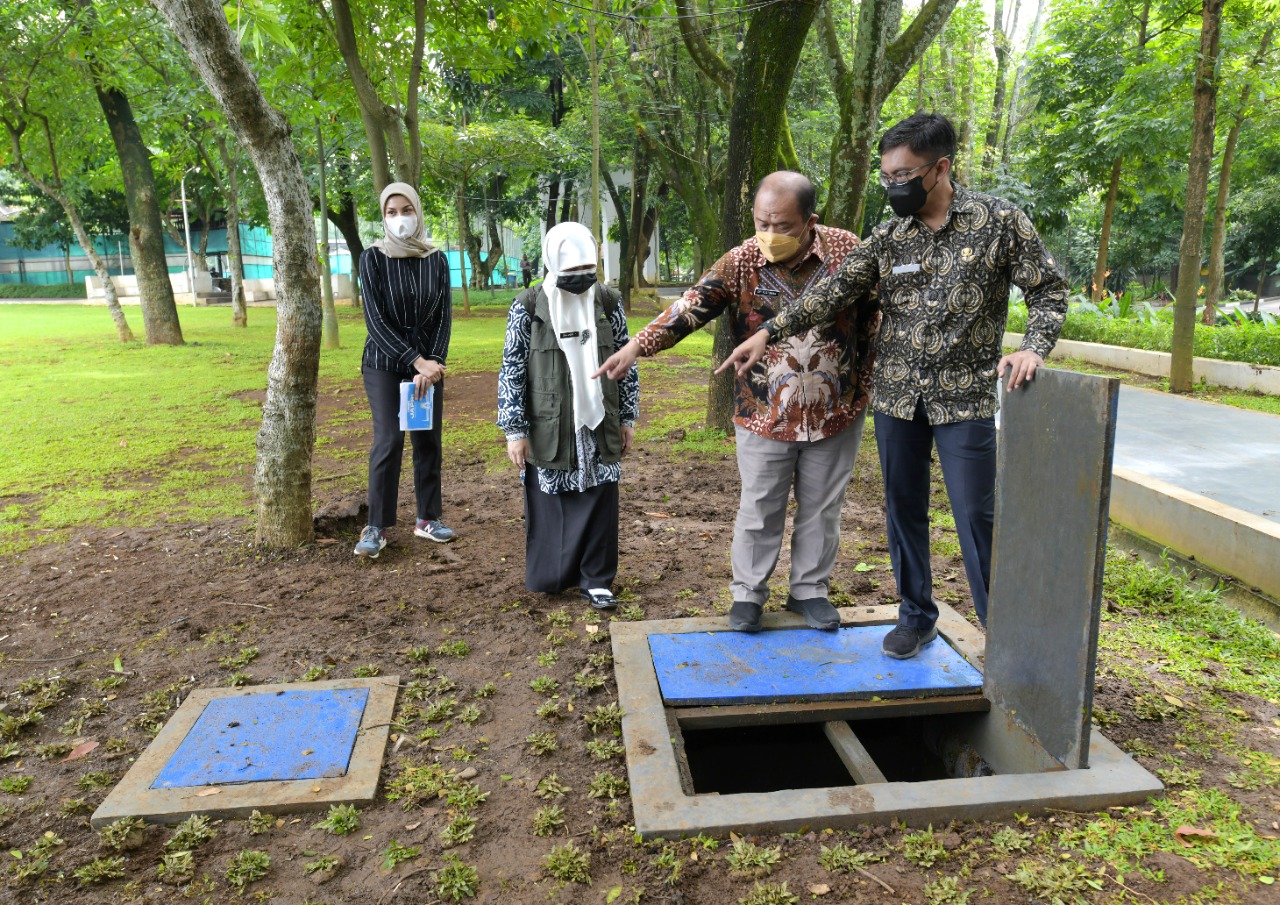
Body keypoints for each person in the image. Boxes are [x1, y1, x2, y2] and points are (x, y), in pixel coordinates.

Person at [719, 114, 1068, 658]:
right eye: (886, 176)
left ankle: (1006, 631)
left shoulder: (999, 222)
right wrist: (770, 331)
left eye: (903, 175)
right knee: (903, 508)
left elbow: (1048, 290)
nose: (892, 186)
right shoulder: (887, 237)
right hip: (897, 398)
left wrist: (1033, 347)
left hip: (965, 397)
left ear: (940, 169)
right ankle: (916, 616)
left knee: (976, 514)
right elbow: (830, 293)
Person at [595, 171, 878, 632]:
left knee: (823, 507)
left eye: (782, 225)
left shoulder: (848, 251)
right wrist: (636, 346)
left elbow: (876, 314)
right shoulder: (742, 261)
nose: (769, 235)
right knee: (760, 506)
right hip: (762, 412)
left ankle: (810, 591)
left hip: (835, 411)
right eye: (761, 222)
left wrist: (865, 382)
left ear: (811, 220)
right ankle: (748, 595)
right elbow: (691, 306)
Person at [498, 222, 639, 609]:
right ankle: (557, 574)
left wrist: (628, 417)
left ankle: (597, 579)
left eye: (587, 271)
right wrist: (515, 428)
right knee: (554, 495)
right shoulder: (528, 307)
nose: (580, 280)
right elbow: (512, 368)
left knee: (599, 496)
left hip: (600, 418)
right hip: (550, 420)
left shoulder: (608, 302)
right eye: (571, 271)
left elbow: (627, 362)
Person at [354, 182, 456, 558]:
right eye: (391, 213)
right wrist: (415, 361)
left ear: (418, 212)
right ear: (383, 217)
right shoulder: (372, 259)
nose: (400, 219)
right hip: (384, 363)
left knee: (427, 439)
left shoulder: (437, 260)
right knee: (390, 440)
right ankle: (376, 527)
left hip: (428, 366)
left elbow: (444, 318)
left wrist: (433, 365)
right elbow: (375, 322)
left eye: (406, 210)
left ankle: (428, 518)